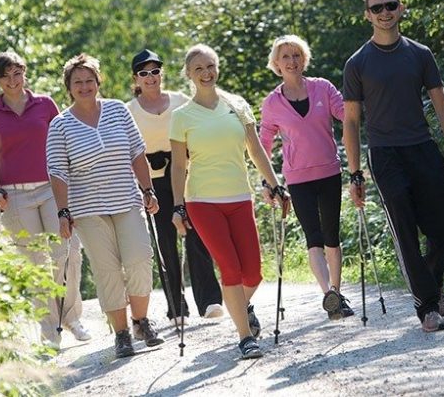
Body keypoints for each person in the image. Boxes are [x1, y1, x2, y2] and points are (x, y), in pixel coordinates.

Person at [342, 0, 444, 332]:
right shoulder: (357, 63)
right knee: (404, 228)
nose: (384, 13)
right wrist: (354, 173)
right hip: (385, 156)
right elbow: (352, 122)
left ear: (401, 8)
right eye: (377, 8)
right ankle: (427, 307)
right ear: (367, 15)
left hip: (423, 149)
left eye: (390, 6)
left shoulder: (420, 53)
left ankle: (431, 278)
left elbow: (442, 105)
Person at [170, 44, 290, 359]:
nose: (206, 73)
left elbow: (256, 149)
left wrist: (275, 185)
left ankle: (239, 305)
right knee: (230, 268)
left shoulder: (236, 105)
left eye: (210, 66)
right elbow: (179, 165)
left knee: (253, 273)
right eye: (199, 69)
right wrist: (177, 206)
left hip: (240, 196)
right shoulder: (181, 116)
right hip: (202, 202)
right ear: (189, 75)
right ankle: (245, 336)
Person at [46, 53, 164, 358]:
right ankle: (122, 334)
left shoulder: (118, 111)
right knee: (107, 270)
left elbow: (137, 153)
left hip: (126, 199)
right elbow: (57, 171)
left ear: (99, 82)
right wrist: (62, 213)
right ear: (69, 87)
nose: (84, 86)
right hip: (87, 210)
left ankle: (141, 321)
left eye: (89, 80)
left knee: (139, 258)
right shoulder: (60, 125)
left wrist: (148, 190)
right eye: (78, 82)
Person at [0, 51, 91, 348]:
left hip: (52, 188)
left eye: (18, 73)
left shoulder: (45, 104)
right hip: (14, 195)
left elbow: (63, 144)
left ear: (24, 73)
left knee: (67, 251)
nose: (13, 81)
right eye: (6, 76)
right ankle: (49, 329)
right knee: (35, 262)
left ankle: (71, 317)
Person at [260, 35, 355, 321]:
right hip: (297, 178)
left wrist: (361, 95)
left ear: (304, 59)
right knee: (313, 237)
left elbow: (346, 114)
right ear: (276, 63)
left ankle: (337, 293)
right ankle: (328, 294)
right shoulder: (272, 102)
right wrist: (267, 182)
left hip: (329, 172)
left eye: (297, 55)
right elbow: (263, 143)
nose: (292, 61)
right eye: (285, 57)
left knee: (331, 235)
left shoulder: (323, 88)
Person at [126, 49, 224, 325]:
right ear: (136, 78)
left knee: (197, 233)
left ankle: (209, 300)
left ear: (162, 73)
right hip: (152, 180)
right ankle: (176, 307)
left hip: (185, 174)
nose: (151, 77)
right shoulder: (128, 110)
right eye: (144, 73)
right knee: (165, 240)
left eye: (155, 71)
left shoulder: (181, 101)